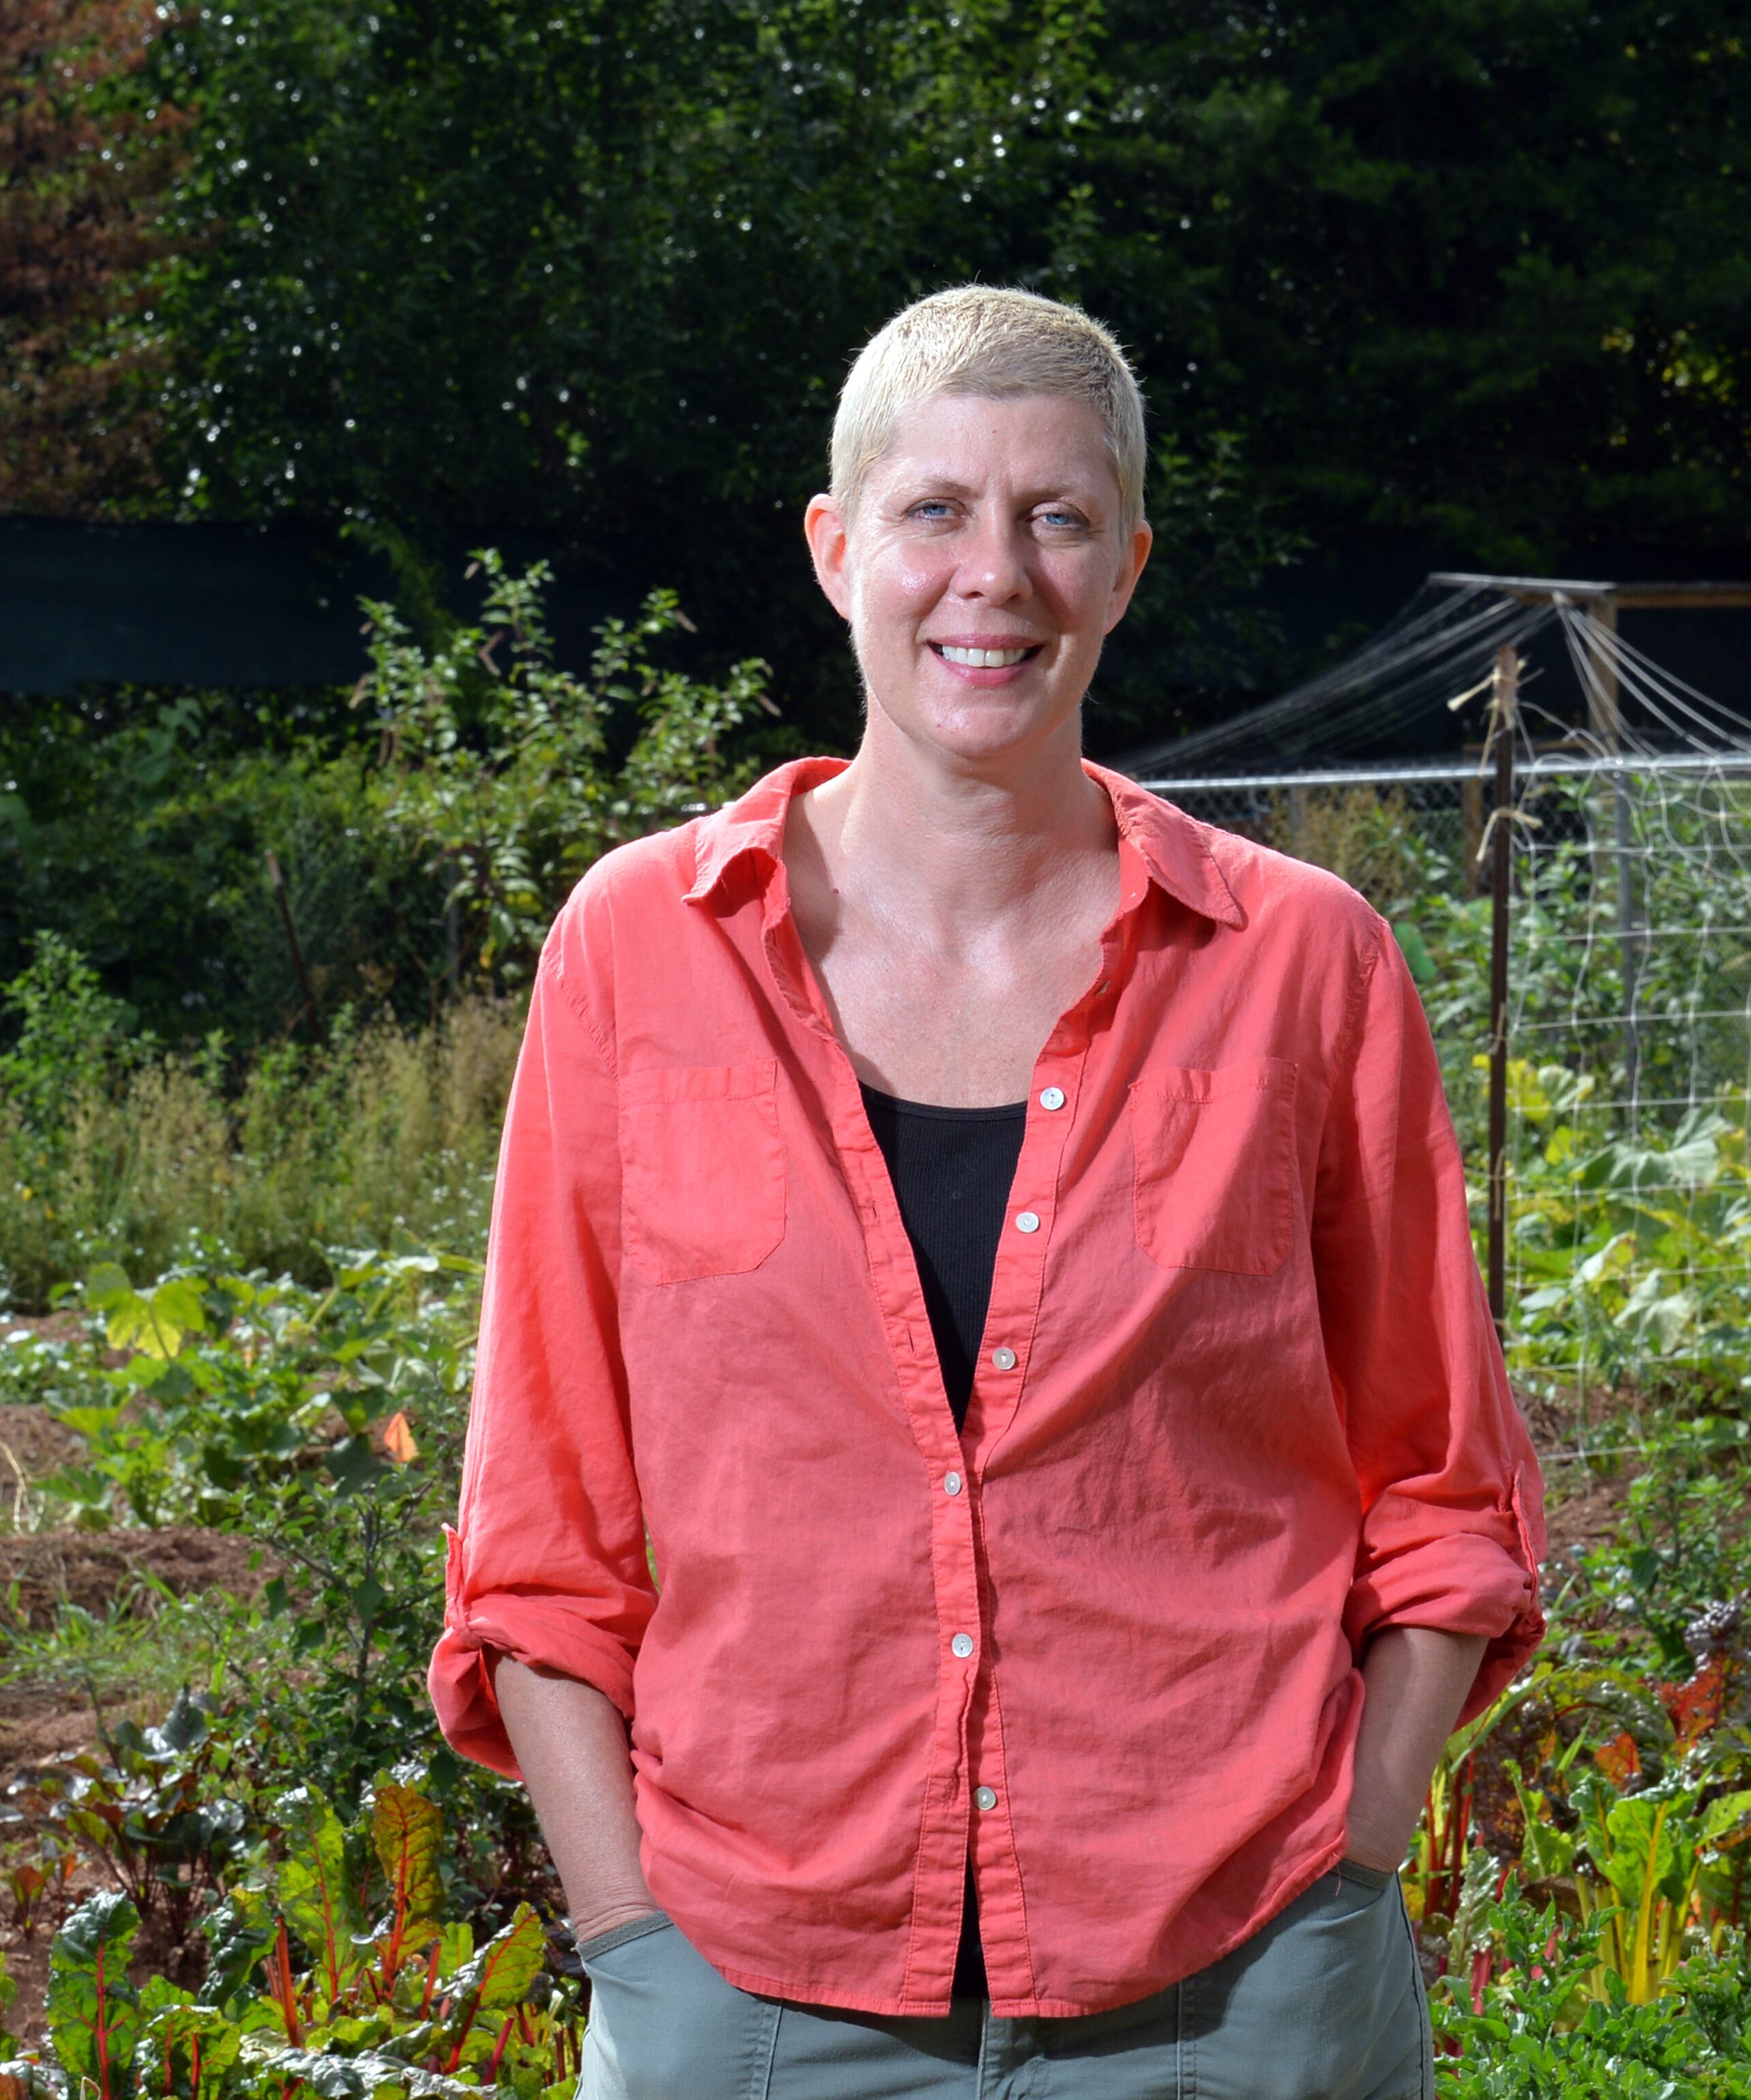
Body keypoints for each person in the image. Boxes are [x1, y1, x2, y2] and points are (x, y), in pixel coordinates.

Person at [429, 285, 1546, 2099]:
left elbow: (1442, 1486)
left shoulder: (1301, 969)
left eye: (1059, 516)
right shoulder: (639, 955)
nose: (994, 573)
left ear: (1125, 565)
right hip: (754, 1993)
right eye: (938, 509)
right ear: (835, 546)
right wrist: (635, 1947)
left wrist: (1350, 1864)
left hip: (1234, 1984)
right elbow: (539, 1532)